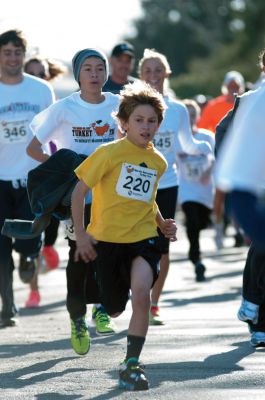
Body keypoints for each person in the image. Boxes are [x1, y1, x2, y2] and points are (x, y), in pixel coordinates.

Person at [71, 81, 177, 391]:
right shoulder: (109, 153)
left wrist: (162, 223)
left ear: (159, 123)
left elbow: (149, 198)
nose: (146, 127)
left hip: (143, 239)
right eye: (139, 120)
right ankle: (103, 306)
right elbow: (79, 193)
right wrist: (81, 234)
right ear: (125, 123)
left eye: (152, 121)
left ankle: (132, 363)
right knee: (115, 306)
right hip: (106, 241)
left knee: (141, 294)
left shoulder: (158, 161)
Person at [27, 48, 120, 349]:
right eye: (88, 69)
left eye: (99, 68)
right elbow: (33, 148)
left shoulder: (119, 105)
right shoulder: (64, 108)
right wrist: (59, 172)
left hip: (113, 197)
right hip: (77, 198)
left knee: (109, 254)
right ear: (78, 74)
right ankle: (77, 317)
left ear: (106, 73)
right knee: (80, 255)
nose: (94, 75)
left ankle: (102, 309)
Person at [138, 49, 212, 324]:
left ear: (166, 74)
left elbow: (187, 145)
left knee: (161, 248)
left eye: (158, 70)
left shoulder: (178, 109)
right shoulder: (130, 106)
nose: (153, 76)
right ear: (141, 75)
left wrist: (204, 147)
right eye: (148, 71)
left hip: (166, 183)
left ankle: (153, 304)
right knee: (133, 245)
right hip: (135, 185)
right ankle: (138, 298)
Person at [0, 29, 55, 327]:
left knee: (29, 238)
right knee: (0, 249)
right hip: (0, 178)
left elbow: (55, 129)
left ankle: (29, 256)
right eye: (6, 52)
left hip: (32, 177)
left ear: (24, 54)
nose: (12, 58)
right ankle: (7, 307)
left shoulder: (40, 90)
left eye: (17, 52)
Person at [215, 49, 265, 347]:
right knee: (262, 249)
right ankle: (255, 309)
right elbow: (223, 134)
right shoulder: (250, 101)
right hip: (255, 189)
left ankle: (256, 307)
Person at [24, 56, 67, 307]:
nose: (37, 78)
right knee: (29, 236)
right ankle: (33, 290)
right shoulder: (17, 105)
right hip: (22, 177)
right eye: (32, 73)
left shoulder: (60, 109)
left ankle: (47, 249)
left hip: (49, 179)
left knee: (45, 231)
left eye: (41, 74)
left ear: (48, 77)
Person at [177, 99, 215, 281]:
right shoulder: (177, 140)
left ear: (198, 116)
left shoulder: (206, 136)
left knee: (201, 223)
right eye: (187, 114)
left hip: (205, 190)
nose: (190, 118)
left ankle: (196, 252)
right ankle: (196, 258)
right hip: (186, 190)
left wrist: (209, 170)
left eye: (193, 114)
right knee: (192, 222)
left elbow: (215, 158)